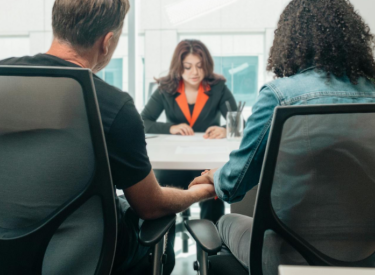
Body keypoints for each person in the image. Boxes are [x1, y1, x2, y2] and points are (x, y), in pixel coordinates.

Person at [0, 1, 216, 274]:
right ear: (107, 41)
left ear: (57, 23)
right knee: (157, 223)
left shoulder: (3, 79)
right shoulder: (114, 106)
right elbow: (151, 207)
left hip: (6, 252)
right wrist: (202, 191)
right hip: (83, 257)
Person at [189, 0, 375, 273]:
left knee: (226, 222)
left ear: (291, 41)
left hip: (291, 255)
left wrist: (213, 176)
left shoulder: (281, 96)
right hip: (367, 254)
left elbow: (234, 185)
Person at [141, 39, 237, 223]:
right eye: (188, 67)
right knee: (159, 195)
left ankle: (210, 249)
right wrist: (170, 128)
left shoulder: (218, 88)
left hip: (205, 163)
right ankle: (163, 250)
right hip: (174, 162)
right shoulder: (166, 88)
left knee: (213, 192)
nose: (194, 72)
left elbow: (240, 124)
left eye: (200, 66)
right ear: (179, 67)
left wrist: (225, 130)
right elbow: (143, 121)